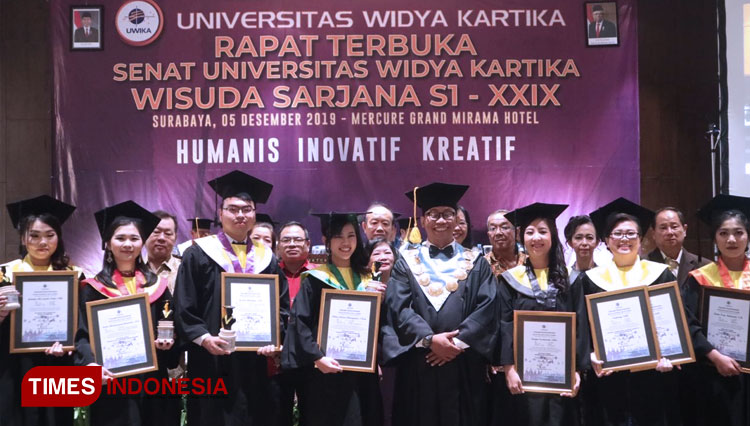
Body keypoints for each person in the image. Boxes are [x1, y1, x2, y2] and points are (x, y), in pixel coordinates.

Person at [174, 170, 290, 426]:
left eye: (247, 209)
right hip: (211, 360)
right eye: (233, 209)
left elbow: (281, 306)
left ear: (254, 214)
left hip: (255, 362)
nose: (240, 215)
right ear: (220, 213)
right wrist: (204, 339)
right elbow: (184, 305)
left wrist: (274, 338)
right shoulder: (199, 254)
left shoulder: (267, 258)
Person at [382, 182, 498, 426]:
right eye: (433, 215)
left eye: (447, 214)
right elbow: (399, 307)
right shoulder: (406, 261)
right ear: (423, 221)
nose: (441, 220)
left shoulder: (476, 262)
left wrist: (455, 343)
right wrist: (430, 340)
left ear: (457, 220)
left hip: (462, 362)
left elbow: (487, 307)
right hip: (420, 362)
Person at [74, 200, 179, 426]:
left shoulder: (158, 287)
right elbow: (81, 335)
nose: (128, 244)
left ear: (142, 243)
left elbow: (171, 325)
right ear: (108, 243)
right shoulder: (92, 289)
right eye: (120, 238)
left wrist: (168, 343)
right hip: (111, 382)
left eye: (134, 238)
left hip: (153, 382)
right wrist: (90, 366)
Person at [579, 197, 678, 426]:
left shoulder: (660, 275)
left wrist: (672, 354)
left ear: (641, 238)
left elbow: (676, 323)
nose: (624, 239)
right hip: (607, 377)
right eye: (617, 233)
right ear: (606, 240)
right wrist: (590, 355)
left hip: (652, 375)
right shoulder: (591, 280)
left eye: (631, 233)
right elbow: (581, 328)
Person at [282, 212, 382, 426]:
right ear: (326, 241)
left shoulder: (368, 279)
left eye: (351, 235)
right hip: (326, 371)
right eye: (338, 236)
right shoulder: (315, 279)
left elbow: (379, 325)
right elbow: (300, 322)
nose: (345, 243)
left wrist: (379, 300)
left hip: (361, 373)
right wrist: (317, 358)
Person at [497, 203, 589, 426]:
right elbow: (504, 325)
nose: (536, 238)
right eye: (530, 232)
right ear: (522, 238)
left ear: (553, 236)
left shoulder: (572, 279)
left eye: (542, 231)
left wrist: (576, 371)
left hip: (562, 377)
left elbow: (581, 327)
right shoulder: (510, 280)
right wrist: (508, 369)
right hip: (524, 377)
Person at [1, 195, 78, 426]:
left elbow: (81, 328)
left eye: (49, 235)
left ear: (59, 237)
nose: (42, 242)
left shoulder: (74, 276)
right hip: (11, 367)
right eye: (34, 235)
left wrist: (68, 344)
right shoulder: (4, 275)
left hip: (56, 366)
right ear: (23, 238)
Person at [682, 194, 750, 426]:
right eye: (723, 233)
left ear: (748, 237)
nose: (731, 239)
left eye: (738, 232)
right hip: (713, 374)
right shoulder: (699, 278)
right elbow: (687, 324)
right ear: (715, 239)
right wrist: (714, 355)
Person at [647, 207, 708, 287]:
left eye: (674, 227)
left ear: (685, 230)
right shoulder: (643, 266)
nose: (670, 232)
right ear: (653, 233)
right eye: (663, 228)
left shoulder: (704, 267)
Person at [145, 210, 181, 294]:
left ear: (175, 238)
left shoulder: (184, 269)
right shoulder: (133, 269)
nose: (161, 238)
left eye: (168, 234)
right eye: (156, 232)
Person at [485, 209, 528, 277]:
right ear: (489, 235)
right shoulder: (482, 265)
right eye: (493, 228)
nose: (498, 233)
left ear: (517, 232)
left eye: (504, 227)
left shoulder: (529, 262)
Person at [564, 215, 598, 284]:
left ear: (597, 242)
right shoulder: (564, 278)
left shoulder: (604, 277)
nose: (584, 243)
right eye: (578, 237)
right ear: (570, 242)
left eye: (589, 237)